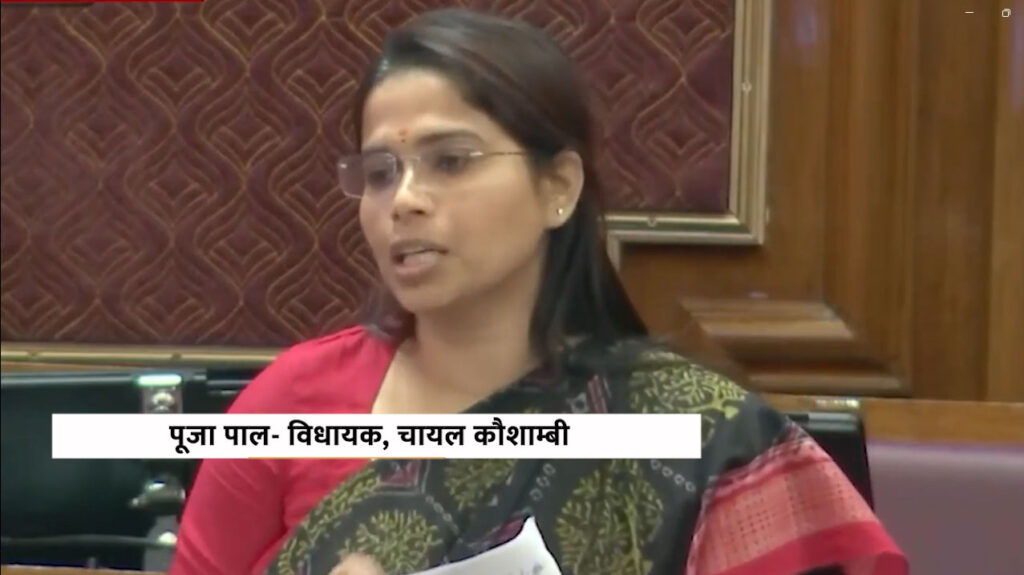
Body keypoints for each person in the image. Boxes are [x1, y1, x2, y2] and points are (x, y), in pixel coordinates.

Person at [170, 9, 907, 575]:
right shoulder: (290, 402)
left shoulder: (695, 431)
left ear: (558, 186)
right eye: (380, 173)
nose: (405, 200)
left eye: (451, 160)